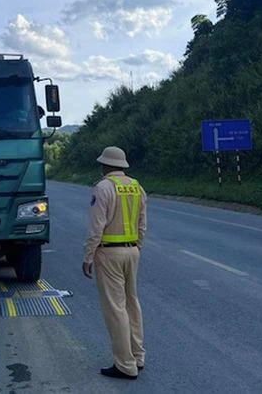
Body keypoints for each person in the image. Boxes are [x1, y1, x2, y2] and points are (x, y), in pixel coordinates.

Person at [82, 146, 147, 380]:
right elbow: (142, 223)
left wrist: (88, 255)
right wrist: (137, 247)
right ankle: (138, 357)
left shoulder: (103, 188)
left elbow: (96, 226)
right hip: (132, 252)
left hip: (109, 254)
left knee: (115, 310)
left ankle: (125, 365)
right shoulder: (136, 187)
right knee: (132, 304)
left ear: (106, 166)